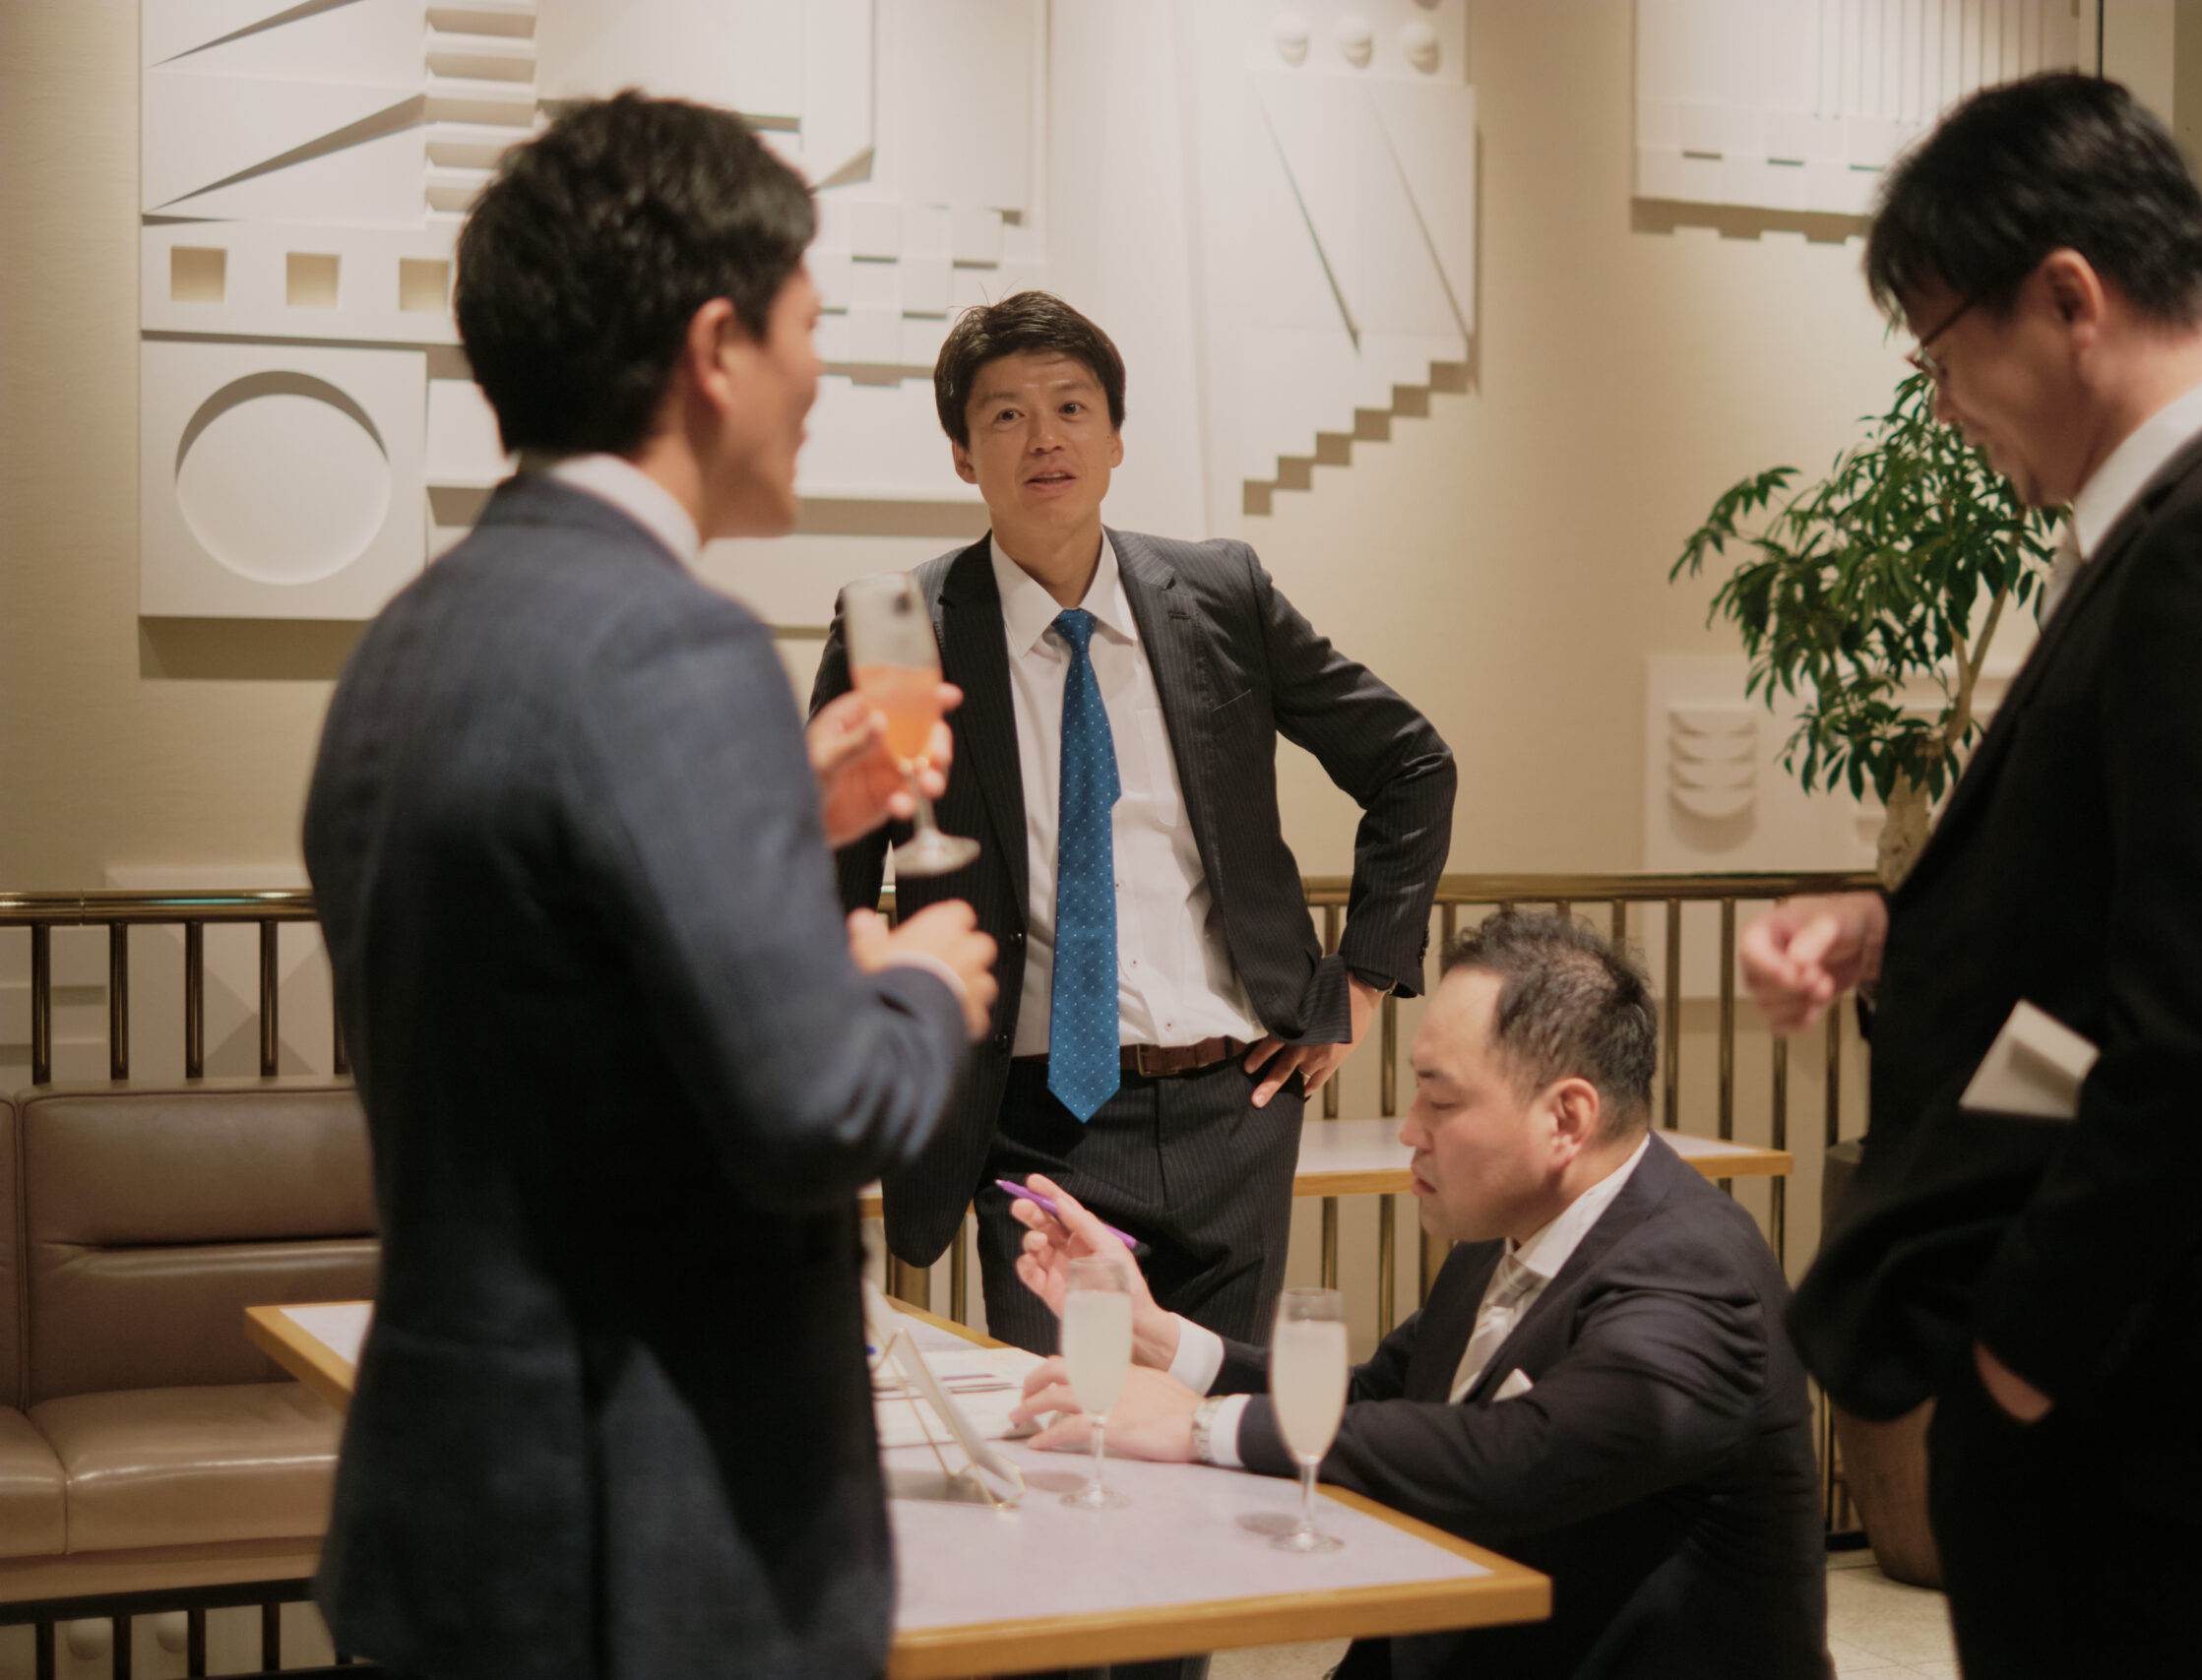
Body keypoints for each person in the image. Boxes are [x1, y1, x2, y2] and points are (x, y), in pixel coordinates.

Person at [1741, 73, 2202, 1677]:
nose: (1942, 407)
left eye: (1939, 351)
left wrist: (2021, 1355)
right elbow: (2141, 901)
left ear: (2068, 297)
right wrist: (1891, 925)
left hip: (2153, 1384)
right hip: (2161, 1372)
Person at [302, 93, 999, 1680]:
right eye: (809, 327)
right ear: (715, 348)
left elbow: (555, 982)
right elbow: (816, 1106)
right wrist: (916, 986)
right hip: (648, 1536)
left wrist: (780, 812)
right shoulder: (672, 646)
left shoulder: (416, 636)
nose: (822, 379)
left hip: (464, 1507)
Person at [811, 291, 1455, 1355]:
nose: (1045, 438)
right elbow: (826, 886)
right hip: (1032, 1117)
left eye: (1072, 407)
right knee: (1070, 1423)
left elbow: (1411, 763)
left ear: (1116, 437)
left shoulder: (1221, 594)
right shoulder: (900, 627)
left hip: (1237, 1104)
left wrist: (1366, 975)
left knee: (1214, 1420)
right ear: (963, 454)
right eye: (1006, 415)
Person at [1006, 914, 1831, 1680]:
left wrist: (1200, 1424)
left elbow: (1520, 1452)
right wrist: (1161, 1337)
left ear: (1567, 1118)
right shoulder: (1507, 1231)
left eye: (1441, 1098)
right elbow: (1378, 1398)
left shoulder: (1693, 1272)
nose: (1410, 1128)